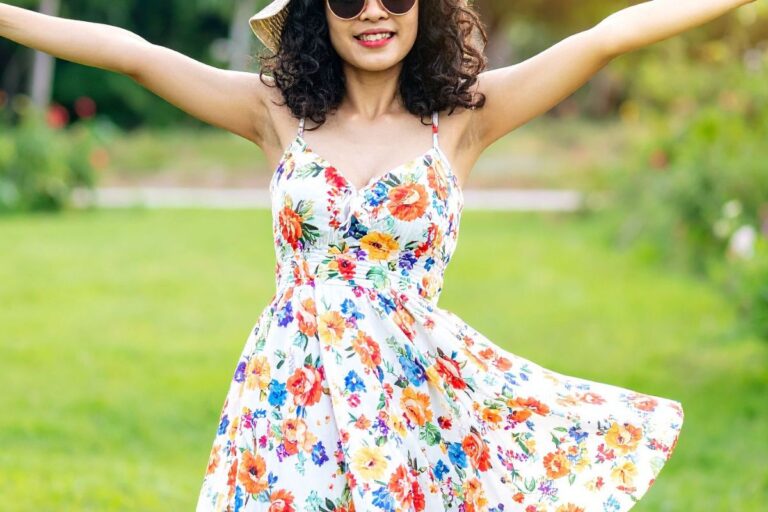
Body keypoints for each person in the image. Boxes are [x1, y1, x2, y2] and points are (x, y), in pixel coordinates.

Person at [0, 0, 757, 510]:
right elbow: (132, 54)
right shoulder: (273, 111)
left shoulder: (462, 119)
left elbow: (605, 37)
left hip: (414, 394)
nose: (372, 11)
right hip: (288, 392)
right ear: (312, 13)